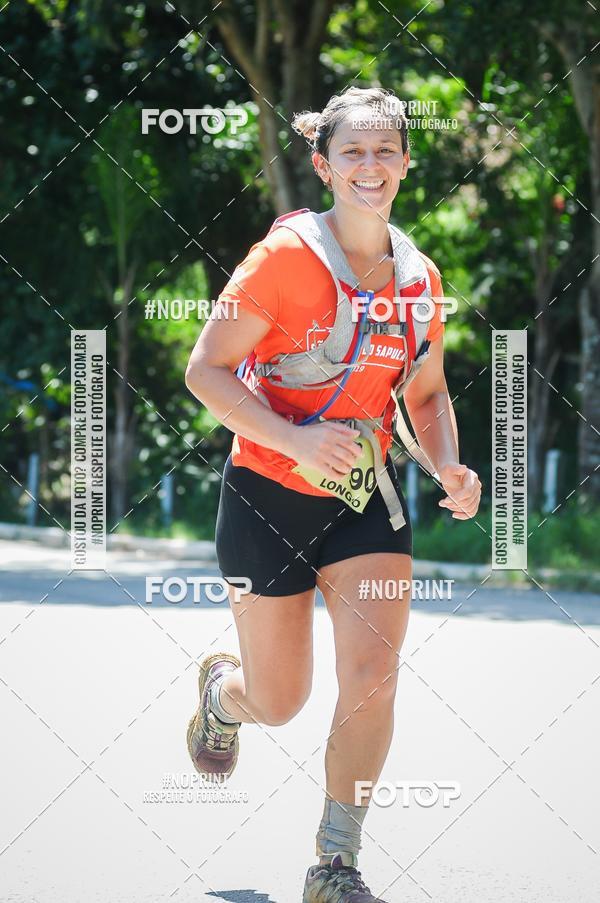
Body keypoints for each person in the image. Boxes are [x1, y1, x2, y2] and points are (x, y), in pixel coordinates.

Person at [184, 86, 481, 903]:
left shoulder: (420, 280)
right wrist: (298, 440)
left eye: (386, 151)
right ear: (323, 164)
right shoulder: (283, 263)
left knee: (374, 676)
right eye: (353, 152)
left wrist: (448, 466)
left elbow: (426, 394)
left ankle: (335, 863)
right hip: (265, 494)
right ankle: (223, 694)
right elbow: (203, 371)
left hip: (366, 500)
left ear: (407, 165)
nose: (371, 166)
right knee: (280, 700)